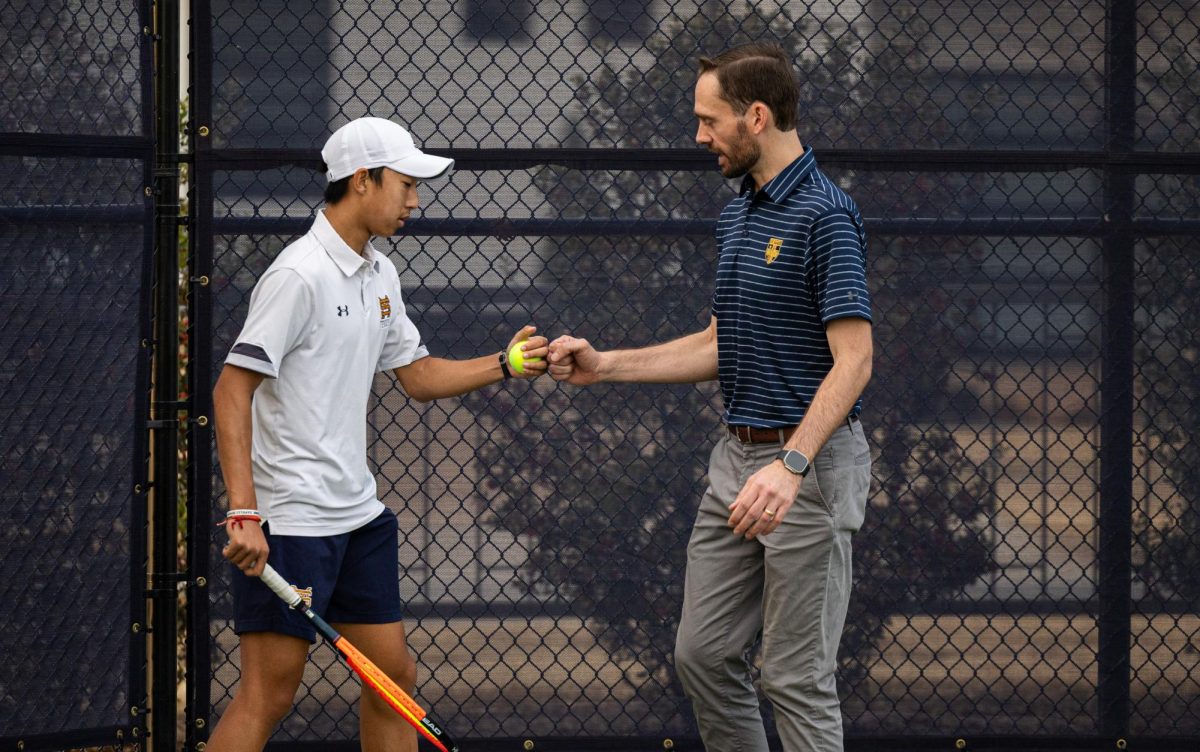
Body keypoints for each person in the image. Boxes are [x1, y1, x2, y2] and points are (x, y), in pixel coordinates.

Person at [548, 43, 873, 751]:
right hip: (736, 463)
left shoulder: (826, 215)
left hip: (807, 473)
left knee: (794, 677)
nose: (699, 136)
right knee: (701, 656)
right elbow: (718, 343)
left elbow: (855, 361)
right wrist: (603, 365)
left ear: (756, 116)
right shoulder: (738, 218)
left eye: (709, 119)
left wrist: (789, 467)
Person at [208, 116, 548, 752]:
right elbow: (232, 390)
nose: (415, 199)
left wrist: (505, 364)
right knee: (270, 695)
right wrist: (245, 513)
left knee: (393, 682)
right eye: (406, 183)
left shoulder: (379, 275)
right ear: (362, 181)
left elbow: (417, 376)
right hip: (293, 522)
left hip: (358, 519)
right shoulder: (297, 276)